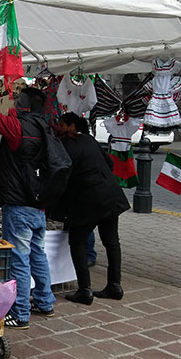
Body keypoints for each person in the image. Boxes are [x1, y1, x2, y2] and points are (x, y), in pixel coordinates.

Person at [0, 83, 56, 330]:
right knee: (38, 254)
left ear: (24, 106)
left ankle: (21, 312)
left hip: (19, 206)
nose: (14, 103)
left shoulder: (19, 128)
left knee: (19, 259)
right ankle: (45, 302)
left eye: (17, 100)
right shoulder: (44, 127)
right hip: (38, 205)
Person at [53, 112, 129, 304]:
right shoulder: (89, 140)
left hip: (88, 198)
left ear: (71, 126)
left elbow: (63, 175)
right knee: (111, 241)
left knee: (77, 241)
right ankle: (115, 285)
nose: (59, 127)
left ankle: (84, 290)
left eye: (62, 124)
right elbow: (109, 162)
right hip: (109, 194)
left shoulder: (66, 146)